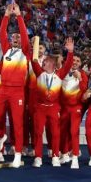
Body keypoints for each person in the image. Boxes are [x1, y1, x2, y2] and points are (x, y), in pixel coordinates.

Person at [0, 3, 30, 168]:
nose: (16, 38)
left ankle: (17, 154)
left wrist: (19, 16)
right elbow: (2, 33)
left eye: (18, 37)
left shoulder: (26, 52)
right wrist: (7, 15)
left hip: (17, 92)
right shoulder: (6, 50)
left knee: (17, 122)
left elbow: (24, 33)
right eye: (13, 36)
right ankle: (1, 136)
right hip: (3, 90)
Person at [31, 38, 74, 167]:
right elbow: (33, 61)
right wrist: (34, 46)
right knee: (38, 133)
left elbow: (67, 65)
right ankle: (38, 157)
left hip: (54, 108)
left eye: (47, 62)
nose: (44, 63)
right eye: (44, 62)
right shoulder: (39, 73)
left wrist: (70, 51)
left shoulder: (60, 75)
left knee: (55, 133)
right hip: (40, 108)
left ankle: (55, 156)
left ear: (53, 65)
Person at [59, 52, 88, 169]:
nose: (75, 62)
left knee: (74, 131)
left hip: (76, 107)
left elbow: (84, 89)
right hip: (63, 107)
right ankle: (65, 154)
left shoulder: (83, 75)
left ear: (80, 64)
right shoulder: (63, 72)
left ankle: (75, 156)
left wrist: (80, 78)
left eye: (77, 61)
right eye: (73, 60)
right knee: (63, 131)